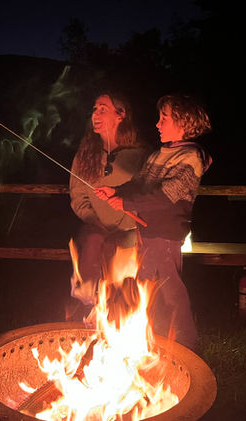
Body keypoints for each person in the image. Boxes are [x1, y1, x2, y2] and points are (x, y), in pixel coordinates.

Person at [95, 93, 212, 350]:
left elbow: (166, 195)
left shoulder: (191, 157)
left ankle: (186, 345)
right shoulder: (159, 154)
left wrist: (127, 204)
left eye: (164, 119)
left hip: (166, 232)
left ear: (183, 123)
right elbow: (140, 183)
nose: (157, 124)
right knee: (148, 287)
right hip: (146, 230)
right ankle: (151, 341)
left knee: (171, 292)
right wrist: (117, 192)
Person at [69, 92, 148, 307]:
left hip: (131, 228)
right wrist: (94, 221)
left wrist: (125, 225)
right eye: (95, 109)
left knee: (121, 248)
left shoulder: (139, 154)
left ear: (120, 115)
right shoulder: (85, 155)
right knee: (93, 240)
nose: (96, 113)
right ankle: (86, 306)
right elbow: (78, 196)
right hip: (95, 225)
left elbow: (146, 194)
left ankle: (121, 311)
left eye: (103, 108)